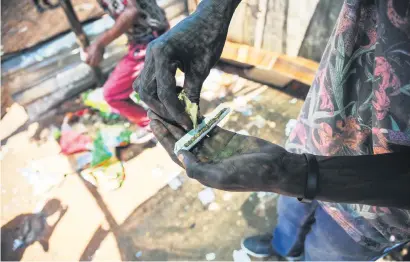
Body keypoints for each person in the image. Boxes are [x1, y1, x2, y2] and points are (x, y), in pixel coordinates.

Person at [135, 0, 410, 260]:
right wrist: (213, 11)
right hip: (317, 130)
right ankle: (282, 247)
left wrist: (291, 174)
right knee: (290, 212)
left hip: (380, 208)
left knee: (330, 250)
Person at [85, 0, 169, 141]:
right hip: (151, 37)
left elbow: (131, 11)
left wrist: (99, 43)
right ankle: (160, 122)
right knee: (154, 90)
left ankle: (156, 126)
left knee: (112, 94)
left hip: (149, 42)